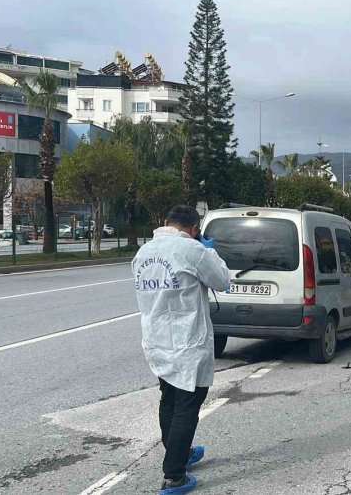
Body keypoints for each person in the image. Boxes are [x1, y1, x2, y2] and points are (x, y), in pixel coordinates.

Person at [132, 205, 230, 494]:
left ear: (165, 222)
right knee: (187, 406)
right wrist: (210, 251)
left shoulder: (143, 253)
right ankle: (174, 474)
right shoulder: (193, 251)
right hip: (187, 341)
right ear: (194, 228)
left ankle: (180, 452)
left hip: (156, 340)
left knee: (170, 400)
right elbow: (222, 281)